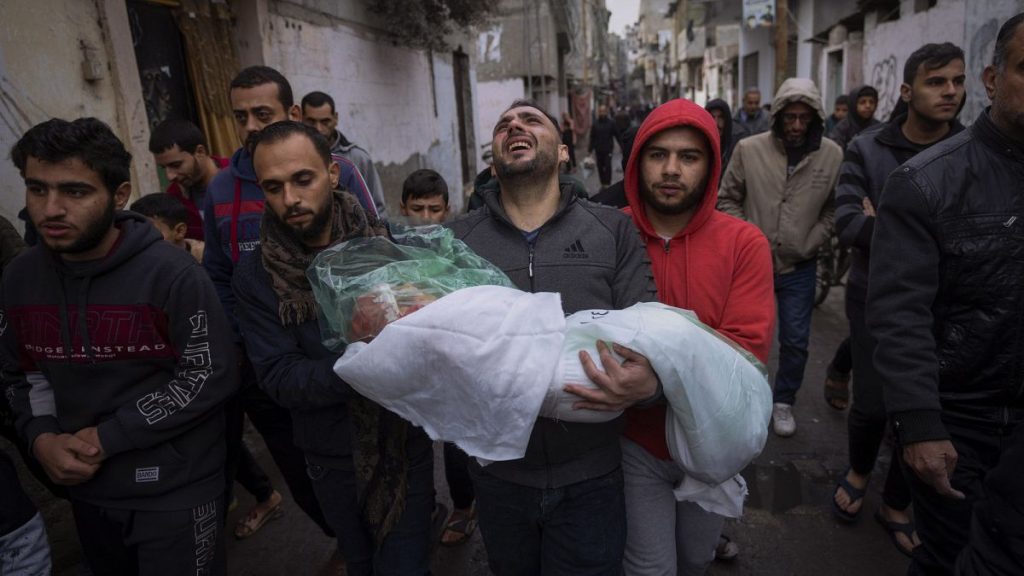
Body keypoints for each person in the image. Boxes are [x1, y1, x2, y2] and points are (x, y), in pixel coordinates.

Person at [3, 117, 237, 574]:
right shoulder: (19, 279)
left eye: (75, 192)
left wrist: (110, 436)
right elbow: (21, 372)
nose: (51, 209)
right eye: (37, 189)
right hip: (86, 491)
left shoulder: (171, 274)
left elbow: (208, 373)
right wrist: (41, 437)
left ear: (120, 194)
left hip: (176, 491)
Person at [448, 99, 659, 575]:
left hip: (594, 474)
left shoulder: (612, 230)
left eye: (530, 120)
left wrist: (651, 384)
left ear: (564, 152)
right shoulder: (456, 242)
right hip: (497, 473)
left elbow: (649, 332)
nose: (514, 125)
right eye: (504, 124)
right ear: (494, 155)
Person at [233, 120, 435, 575]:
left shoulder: (387, 245)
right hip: (328, 459)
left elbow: (432, 342)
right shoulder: (257, 274)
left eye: (302, 179)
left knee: (406, 565)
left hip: (402, 443)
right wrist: (363, 362)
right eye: (273, 186)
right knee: (361, 564)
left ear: (332, 173)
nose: (290, 199)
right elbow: (278, 377)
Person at [867, 14, 1024, 575]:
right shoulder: (925, 181)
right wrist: (920, 423)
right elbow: (899, 312)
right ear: (994, 76)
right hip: (960, 421)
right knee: (951, 557)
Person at [621, 98, 775, 575]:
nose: (671, 169)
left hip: (712, 442)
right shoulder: (613, 232)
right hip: (633, 442)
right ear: (637, 160)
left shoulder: (744, 243)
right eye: (657, 154)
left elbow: (744, 354)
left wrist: (655, 376)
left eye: (689, 156)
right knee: (650, 567)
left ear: (711, 165)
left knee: (695, 557)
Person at [830, 42, 967, 559]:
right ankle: (860, 470)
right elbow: (847, 224)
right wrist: (932, 233)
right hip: (874, 297)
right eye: (936, 82)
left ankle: (896, 501)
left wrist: (883, 220)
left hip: (950, 307)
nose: (950, 91)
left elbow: (975, 240)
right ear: (908, 91)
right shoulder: (867, 150)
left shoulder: (972, 152)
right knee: (872, 404)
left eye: (956, 81)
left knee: (931, 411)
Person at [204, 64, 338, 549]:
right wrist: (241, 340)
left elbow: (370, 245)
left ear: (291, 115)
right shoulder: (219, 189)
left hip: (329, 351)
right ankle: (344, 540)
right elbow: (219, 274)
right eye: (240, 116)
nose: (250, 127)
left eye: (262, 113)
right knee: (301, 470)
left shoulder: (335, 173)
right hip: (261, 359)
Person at [718, 78, 842, 438]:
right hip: (752, 266)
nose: (797, 126)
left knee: (796, 340)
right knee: (741, 337)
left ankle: (783, 400)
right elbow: (727, 198)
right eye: (790, 117)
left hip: (800, 266)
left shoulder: (832, 155)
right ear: (778, 117)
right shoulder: (749, 149)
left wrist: (812, 241)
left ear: (816, 119)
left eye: (805, 118)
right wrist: (751, 239)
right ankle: (739, 398)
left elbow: (835, 208)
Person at [301, 90, 388, 218]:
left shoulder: (357, 158)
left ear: (335, 119)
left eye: (325, 122)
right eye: (311, 122)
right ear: (300, 118)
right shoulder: (293, 159)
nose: (318, 129)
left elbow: (377, 208)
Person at [149, 118, 228, 240]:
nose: (170, 176)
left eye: (176, 165)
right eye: (163, 167)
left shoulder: (242, 174)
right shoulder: (173, 198)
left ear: (200, 152)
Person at [131, 193, 206, 261]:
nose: (143, 240)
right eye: (138, 232)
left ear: (179, 231)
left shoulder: (207, 260)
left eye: (151, 232)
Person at [828, 85, 880, 150]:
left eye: (871, 102)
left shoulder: (878, 128)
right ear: (854, 104)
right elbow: (835, 152)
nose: (868, 106)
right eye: (862, 102)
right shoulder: (842, 129)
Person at [704, 98, 739, 174]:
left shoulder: (736, 145)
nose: (716, 123)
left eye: (721, 117)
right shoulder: (700, 143)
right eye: (712, 117)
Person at [590, 104, 619, 187]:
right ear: (598, 112)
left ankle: (607, 183)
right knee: (600, 167)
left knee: (608, 166)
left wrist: (623, 146)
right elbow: (592, 137)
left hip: (608, 149)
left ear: (606, 112)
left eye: (603, 111)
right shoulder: (595, 124)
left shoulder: (611, 123)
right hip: (598, 149)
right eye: (600, 111)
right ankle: (602, 183)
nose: (602, 113)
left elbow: (617, 135)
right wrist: (590, 150)